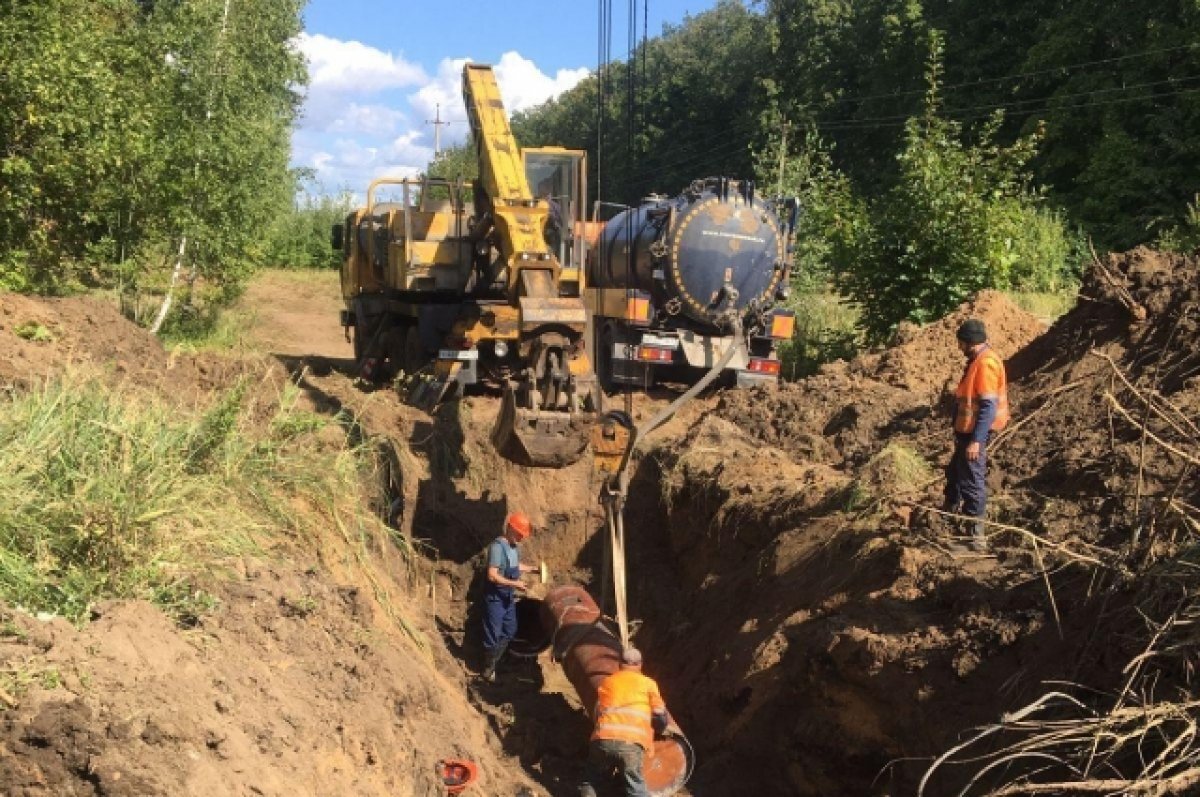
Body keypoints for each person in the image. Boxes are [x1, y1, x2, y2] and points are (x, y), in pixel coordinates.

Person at [944, 318, 1010, 552]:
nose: (958, 347)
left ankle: (975, 538)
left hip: (974, 435)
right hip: (967, 433)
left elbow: (988, 407)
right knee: (956, 474)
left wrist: (976, 441)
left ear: (969, 343)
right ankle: (952, 521)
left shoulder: (985, 364)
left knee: (973, 482)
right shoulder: (977, 359)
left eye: (960, 343)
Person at [579, 647, 671, 797]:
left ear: (620, 664)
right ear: (640, 665)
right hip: (631, 745)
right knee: (635, 787)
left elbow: (599, 711)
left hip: (603, 740)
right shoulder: (649, 684)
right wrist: (659, 730)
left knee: (593, 781)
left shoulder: (608, 682)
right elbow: (660, 714)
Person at [480, 511, 538, 683]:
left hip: (508, 598)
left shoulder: (514, 548)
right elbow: (492, 575)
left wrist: (532, 569)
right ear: (511, 529)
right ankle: (487, 668)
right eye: (520, 534)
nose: (522, 538)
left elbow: (514, 565)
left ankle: (497, 659)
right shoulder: (497, 547)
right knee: (492, 635)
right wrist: (515, 584)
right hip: (495, 599)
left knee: (510, 630)